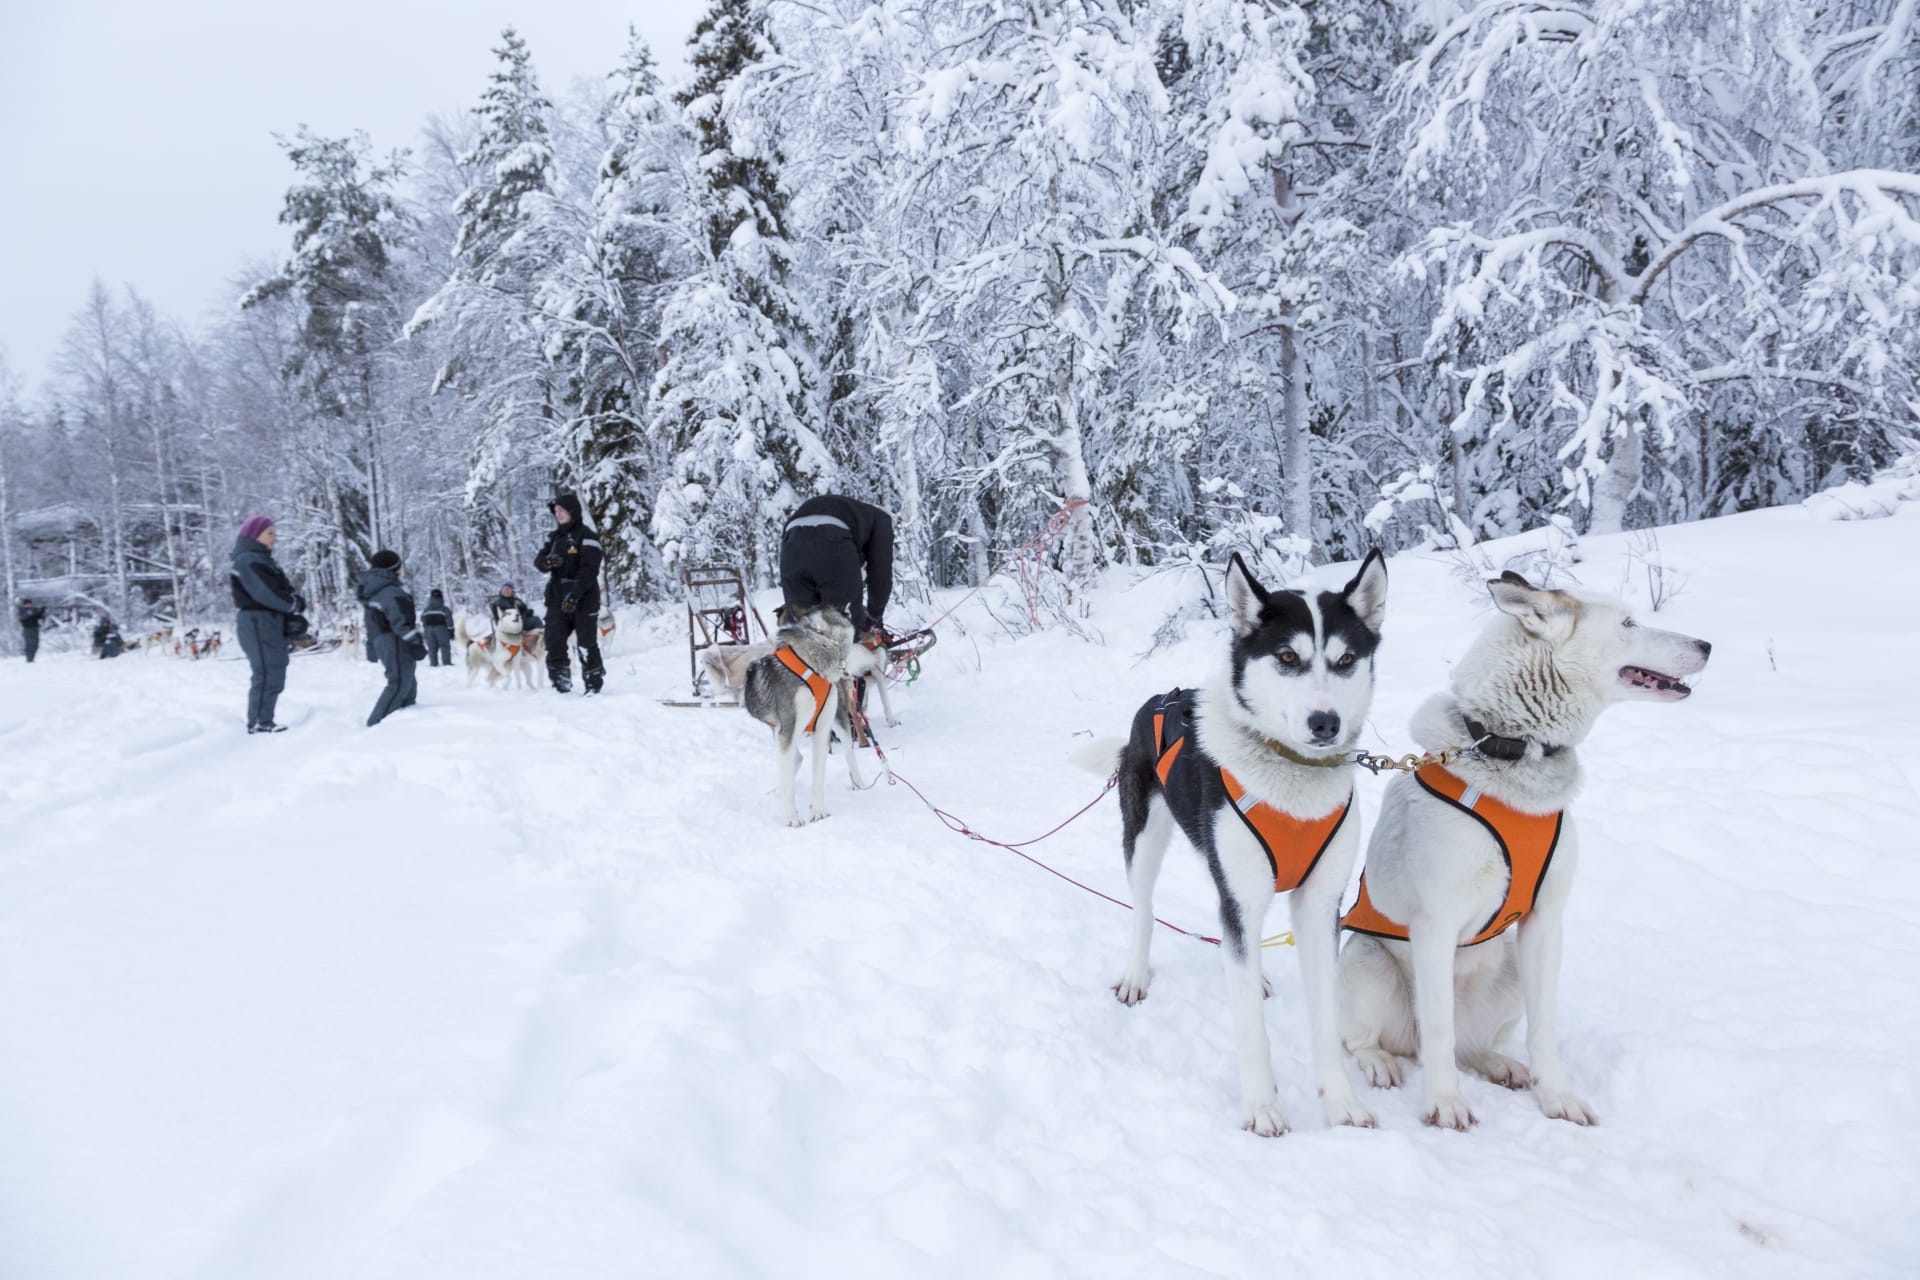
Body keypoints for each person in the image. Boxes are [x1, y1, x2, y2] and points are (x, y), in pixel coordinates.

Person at [780, 494, 895, 636]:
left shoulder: (851, 510)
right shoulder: (882, 520)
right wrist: (875, 615)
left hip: (791, 546)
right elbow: (880, 574)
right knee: (846, 630)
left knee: (803, 631)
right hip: (833, 542)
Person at [230, 515, 304, 733]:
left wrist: (293, 606)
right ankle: (259, 722)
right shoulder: (248, 560)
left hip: (269, 620)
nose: (275, 538)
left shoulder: (263, 560)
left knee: (275, 668)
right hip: (257, 620)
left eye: (275, 533)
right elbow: (265, 592)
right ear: (255, 535)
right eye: (270, 533)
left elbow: (282, 589)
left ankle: (264, 719)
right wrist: (291, 605)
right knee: (266, 670)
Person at [535, 494, 605, 694]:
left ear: (572, 511)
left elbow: (590, 570)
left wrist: (575, 595)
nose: (558, 514)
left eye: (562, 510)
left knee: (586, 642)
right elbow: (539, 560)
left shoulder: (587, 536)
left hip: (583, 598)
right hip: (557, 598)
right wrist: (547, 562)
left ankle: (593, 681)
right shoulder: (555, 538)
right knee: (554, 640)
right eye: (555, 512)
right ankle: (561, 682)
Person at [358, 549, 426, 727]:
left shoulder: (375, 590)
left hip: (385, 640)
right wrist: (415, 642)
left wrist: (372, 646)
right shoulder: (390, 591)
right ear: (394, 569)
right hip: (394, 640)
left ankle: (403, 722)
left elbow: (371, 621)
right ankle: (376, 725)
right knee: (399, 683)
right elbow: (400, 621)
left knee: (408, 681)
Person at [420, 588, 454, 667]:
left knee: (431, 647)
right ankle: (446, 663)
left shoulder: (426, 609)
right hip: (441, 629)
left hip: (428, 629)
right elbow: (449, 620)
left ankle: (433, 663)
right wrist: (451, 630)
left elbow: (422, 619)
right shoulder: (444, 609)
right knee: (444, 646)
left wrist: (425, 629)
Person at [18, 597, 45, 663]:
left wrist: (41, 611)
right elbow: (23, 618)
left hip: (35, 628)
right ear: (24, 605)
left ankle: (32, 658)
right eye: (27, 604)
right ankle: (29, 659)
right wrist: (30, 612)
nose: (29, 605)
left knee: (35, 644)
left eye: (30, 604)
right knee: (29, 644)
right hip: (27, 629)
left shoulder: (33, 610)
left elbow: (38, 617)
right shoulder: (22, 610)